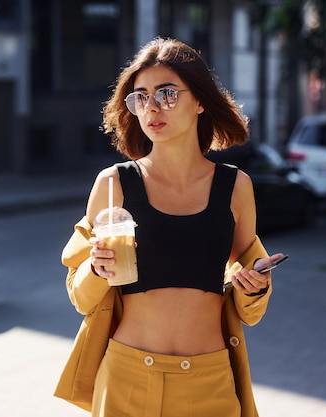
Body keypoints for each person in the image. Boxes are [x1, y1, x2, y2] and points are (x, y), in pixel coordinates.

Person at [54, 37, 285, 417]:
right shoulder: (113, 185)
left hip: (210, 381)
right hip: (126, 378)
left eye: (167, 93)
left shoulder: (236, 187)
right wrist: (97, 269)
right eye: (141, 96)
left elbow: (250, 310)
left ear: (199, 101)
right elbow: (80, 298)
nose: (152, 107)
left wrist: (254, 286)